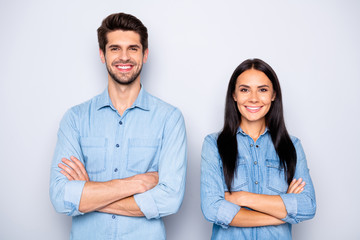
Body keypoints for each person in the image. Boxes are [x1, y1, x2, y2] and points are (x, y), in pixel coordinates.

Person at [49, 12, 187, 240]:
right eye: (115, 48)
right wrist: (138, 183)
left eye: (133, 48)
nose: (124, 57)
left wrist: (89, 193)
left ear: (145, 54)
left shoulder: (169, 119)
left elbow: (170, 200)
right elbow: (60, 196)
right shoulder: (75, 118)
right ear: (102, 55)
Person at [200, 58, 316, 239]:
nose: (254, 98)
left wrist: (242, 198)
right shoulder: (214, 144)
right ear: (234, 95)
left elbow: (307, 206)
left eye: (262, 90)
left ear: (273, 95)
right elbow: (213, 209)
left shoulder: (292, 146)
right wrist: (281, 213)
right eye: (245, 89)